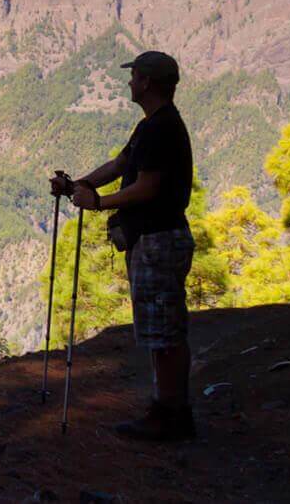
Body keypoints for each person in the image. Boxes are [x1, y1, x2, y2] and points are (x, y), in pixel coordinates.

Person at [50, 50, 195, 441]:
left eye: (134, 77)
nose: (129, 83)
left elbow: (146, 187)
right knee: (163, 329)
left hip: (158, 239)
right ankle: (170, 408)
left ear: (146, 82)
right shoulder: (152, 126)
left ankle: (170, 414)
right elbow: (119, 166)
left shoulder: (159, 129)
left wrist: (97, 203)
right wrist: (77, 185)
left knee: (163, 332)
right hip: (158, 238)